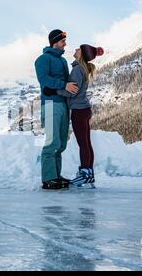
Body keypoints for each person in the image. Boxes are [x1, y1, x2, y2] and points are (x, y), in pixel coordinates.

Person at [44, 44, 104, 188]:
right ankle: (88, 173)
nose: (76, 49)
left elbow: (72, 91)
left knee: (83, 143)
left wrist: (54, 91)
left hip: (79, 110)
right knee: (86, 143)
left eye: (79, 49)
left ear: (82, 54)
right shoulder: (81, 68)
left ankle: (85, 175)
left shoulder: (77, 69)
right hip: (84, 109)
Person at [35, 30, 79, 190]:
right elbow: (44, 79)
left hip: (63, 105)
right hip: (51, 104)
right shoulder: (43, 59)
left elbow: (68, 81)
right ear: (54, 42)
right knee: (52, 142)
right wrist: (63, 86)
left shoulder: (63, 61)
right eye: (62, 41)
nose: (65, 44)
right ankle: (48, 179)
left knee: (60, 144)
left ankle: (56, 176)